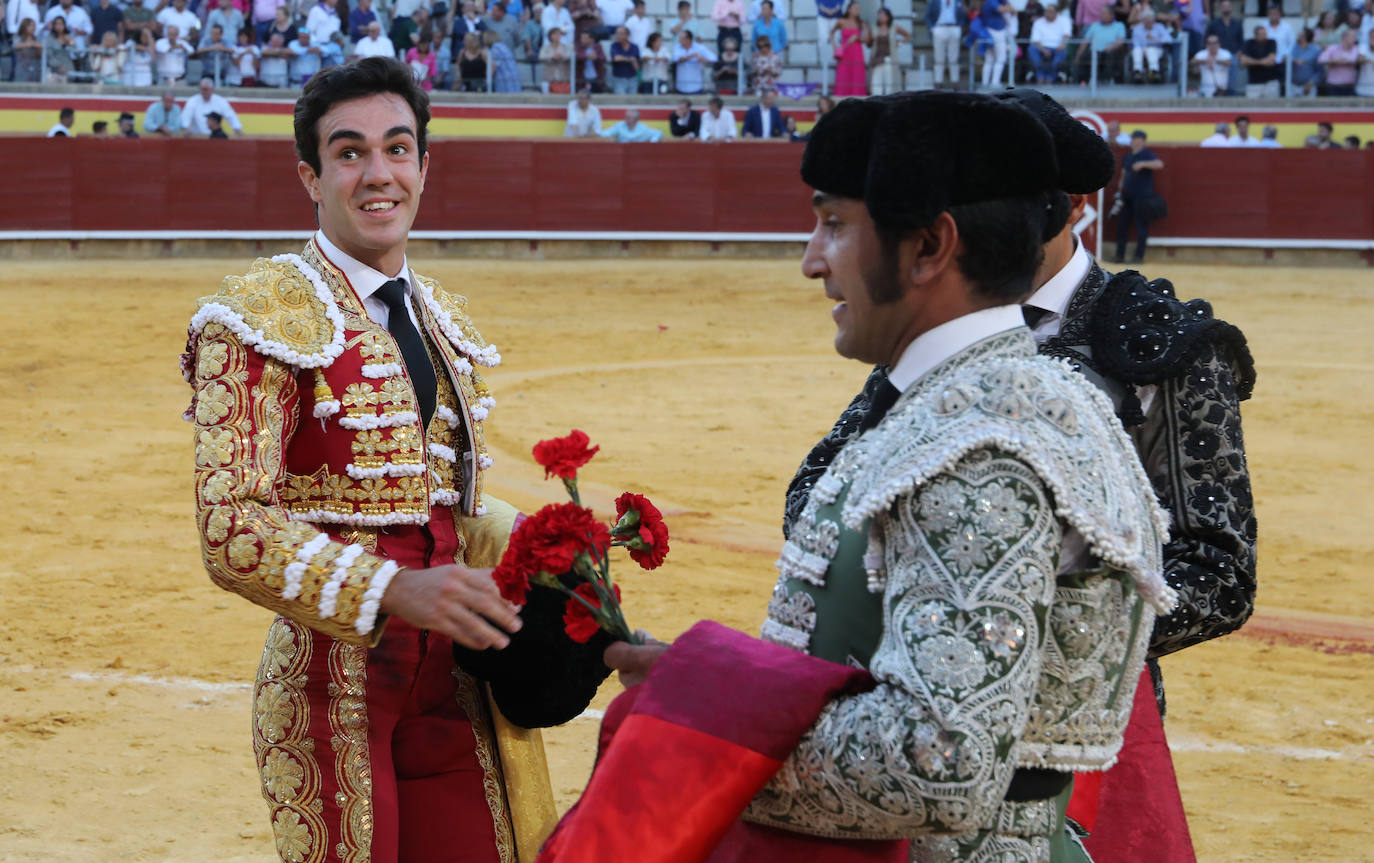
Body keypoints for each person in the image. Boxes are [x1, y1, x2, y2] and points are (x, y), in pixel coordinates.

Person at [598, 91, 1175, 861]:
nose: (811, 260)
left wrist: (711, 724)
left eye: (835, 224)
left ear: (929, 247)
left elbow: (942, 763)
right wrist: (717, 677)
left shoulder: (982, 448)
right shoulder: (1006, 398)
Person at [783, 89, 1256, 863]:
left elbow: (1219, 568)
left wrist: (1051, 633)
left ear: (1065, 207)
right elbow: (820, 492)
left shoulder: (1162, 343)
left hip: (1083, 725)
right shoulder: (940, 341)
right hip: (897, 700)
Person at [183, 56, 606, 863]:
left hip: (458, 682)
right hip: (331, 688)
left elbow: (447, 506)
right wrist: (391, 587)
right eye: (349, 153)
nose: (379, 174)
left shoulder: (442, 315)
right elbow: (229, 526)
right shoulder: (253, 317)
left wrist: (560, 558)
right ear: (310, 175)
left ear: (423, 164)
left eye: (397, 148)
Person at [1114, 129, 1163, 263]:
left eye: (1139, 141)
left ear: (1143, 142)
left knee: (1141, 227)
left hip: (1142, 197)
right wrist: (1119, 191)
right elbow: (1123, 175)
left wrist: (1143, 164)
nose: (1136, 143)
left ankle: (1138, 257)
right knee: (1122, 226)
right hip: (1128, 196)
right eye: (1134, 140)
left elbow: (1159, 164)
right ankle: (1119, 256)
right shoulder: (1128, 157)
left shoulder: (1146, 154)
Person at [1075, 3, 1127, 83]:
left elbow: (1120, 41)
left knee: (1110, 56)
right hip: (1094, 52)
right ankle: (1084, 82)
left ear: (1111, 15)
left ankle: (1106, 80)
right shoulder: (1094, 26)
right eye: (1101, 13)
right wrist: (1078, 55)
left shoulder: (1119, 26)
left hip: (1110, 52)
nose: (1101, 15)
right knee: (1083, 57)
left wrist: (1112, 47)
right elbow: (1085, 41)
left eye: (1104, 13)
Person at [830, 1, 869, 95]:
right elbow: (831, 33)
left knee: (857, 75)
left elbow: (867, 39)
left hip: (857, 53)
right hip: (845, 53)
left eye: (858, 9)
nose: (857, 10)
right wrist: (835, 47)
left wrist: (857, 37)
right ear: (849, 9)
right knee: (843, 75)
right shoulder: (841, 21)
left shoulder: (862, 23)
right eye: (855, 8)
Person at [925, 0, 967, 87]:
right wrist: (933, 29)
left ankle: (955, 82)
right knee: (939, 58)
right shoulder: (934, 2)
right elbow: (927, 16)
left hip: (954, 28)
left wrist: (959, 28)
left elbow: (963, 16)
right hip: (939, 28)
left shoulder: (958, 1)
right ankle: (938, 82)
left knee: (954, 58)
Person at [868, 7, 909, 95]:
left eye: (883, 14)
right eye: (879, 14)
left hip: (889, 58)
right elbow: (869, 43)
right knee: (876, 84)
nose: (881, 16)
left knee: (889, 83)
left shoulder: (894, 27)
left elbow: (907, 35)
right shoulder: (874, 28)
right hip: (877, 59)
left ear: (888, 16)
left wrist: (899, 44)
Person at [1031, 2, 1072, 84]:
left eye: (1050, 11)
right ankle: (1040, 76)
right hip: (1041, 47)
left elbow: (1066, 36)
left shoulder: (1064, 20)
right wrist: (1043, 50)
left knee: (1061, 52)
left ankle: (1050, 77)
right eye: (1046, 11)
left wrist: (1062, 45)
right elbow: (1035, 40)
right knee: (1032, 49)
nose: (1047, 13)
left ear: (1056, 12)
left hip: (1057, 47)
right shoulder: (1038, 22)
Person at [1129, 7, 1172, 83]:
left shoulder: (1160, 27)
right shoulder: (1137, 29)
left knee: (1150, 50)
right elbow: (1135, 43)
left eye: (1151, 22)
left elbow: (1169, 39)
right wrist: (1143, 48)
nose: (1149, 24)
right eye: (1147, 22)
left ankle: (1154, 71)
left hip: (1157, 49)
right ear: (1143, 21)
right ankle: (1137, 72)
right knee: (1137, 50)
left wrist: (1155, 39)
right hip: (1141, 49)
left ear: (1154, 21)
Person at [1239, 24, 1280, 98]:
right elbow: (1243, 61)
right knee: (1252, 107)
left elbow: (1271, 61)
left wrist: (1252, 61)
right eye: (1262, 34)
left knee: (1272, 107)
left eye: (1265, 34)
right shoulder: (1249, 43)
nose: (1265, 36)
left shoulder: (1271, 42)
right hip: (1254, 83)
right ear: (1255, 35)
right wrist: (1262, 62)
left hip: (1270, 82)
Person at [671, 29, 716, 94]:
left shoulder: (699, 47)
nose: (679, 40)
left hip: (696, 86)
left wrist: (702, 59)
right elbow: (676, 59)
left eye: (681, 38)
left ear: (688, 39)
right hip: (681, 86)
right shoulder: (677, 47)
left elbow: (713, 58)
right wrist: (691, 56)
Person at [1318, 28, 1359, 95]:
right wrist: (1335, 60)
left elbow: (1352, 59)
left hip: (1348, 86)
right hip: (1333, 86)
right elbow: (1321, 59)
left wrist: (1334, 61)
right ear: (1344, 37)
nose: (1355, 39)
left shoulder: (1355, 48)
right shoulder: (1332, 48)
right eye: (1353, 36)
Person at [608, 24, 640, 94]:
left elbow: (637, 66)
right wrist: (630, 59)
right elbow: (616, 58)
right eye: (617, 33)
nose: (618, 36)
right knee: (620, 101)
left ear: (627, 35)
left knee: (633, 101)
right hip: (619, 78)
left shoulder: (634, 47)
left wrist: (624, 58)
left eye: (621, 34)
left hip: (632, 78)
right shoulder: (614, 46)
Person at [1290, 27, 1322, 96]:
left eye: (1301, 35)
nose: (1298, 37)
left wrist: (1310, 83)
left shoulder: (1316, 50)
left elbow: (1319, 70)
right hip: (1293, 86)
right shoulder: (1293, 48)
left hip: (1309, 87)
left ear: (1306, 37)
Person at [599, 106, 663, 141]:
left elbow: (658, 133)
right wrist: (608, 137)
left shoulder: (643, 128)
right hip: (622, 153)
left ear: (636, 119)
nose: (626, 119)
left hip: (638, 153)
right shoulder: (620, 126)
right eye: (626, 117)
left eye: (629, 118)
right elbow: (605, 133)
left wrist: (652, 142)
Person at [43, 16, 76, 82]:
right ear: (54, 26)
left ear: (64, 25)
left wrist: (71, 43)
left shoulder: (68, 37)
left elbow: (77, 54)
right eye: (57, 24)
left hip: (68, 69)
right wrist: (59, 67)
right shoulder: (49, 39)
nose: (59, 26)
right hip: (55, 71)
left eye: (61, 24)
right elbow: (49, 55)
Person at [540, 27, 572, 91]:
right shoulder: (545, 47)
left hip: (564, 77)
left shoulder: (567, 47)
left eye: (559, 34)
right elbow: (541, 56)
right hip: (549, 77)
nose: (557, 36)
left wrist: (562, 56)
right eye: (555, 34)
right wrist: (552, 57)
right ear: (550, 36)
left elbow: (570, 56)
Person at [1358, 28, 1374, 96]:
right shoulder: (1363, 48)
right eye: (1372, 37)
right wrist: (1369, 60)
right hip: (1363, 89)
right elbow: (1359, 59)